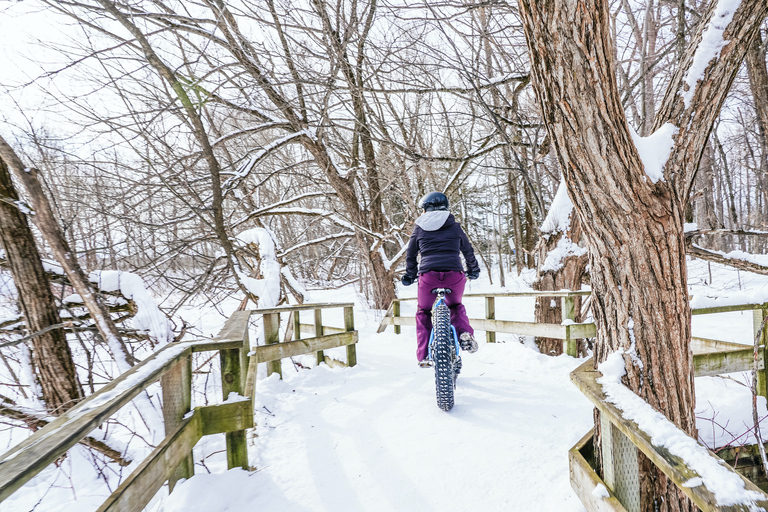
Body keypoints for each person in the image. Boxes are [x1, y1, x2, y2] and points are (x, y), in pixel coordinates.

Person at [401, 191, 481, 367]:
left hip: (428, 277)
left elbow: (411, 255)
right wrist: (473, 270)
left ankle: (424, 355)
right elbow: (468, 251)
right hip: (454, 275)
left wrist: (409, 275)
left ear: (426, 208)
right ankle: (464, 333)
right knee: (455, 306)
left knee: (423, 312)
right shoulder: (454, 226)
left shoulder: (419, 228)